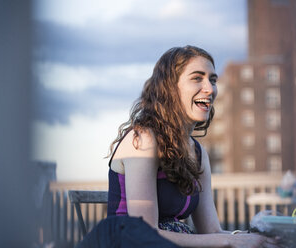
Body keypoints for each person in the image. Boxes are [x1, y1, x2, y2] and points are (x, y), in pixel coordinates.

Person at [106, 45, 282, 248]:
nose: (210, 89)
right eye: (197, 78)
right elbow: (146, 235)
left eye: (213, 80)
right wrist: (231, 241)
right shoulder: (144, 139)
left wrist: (259, 238)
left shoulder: (198, 153)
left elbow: (213, 231)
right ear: (170, 87)